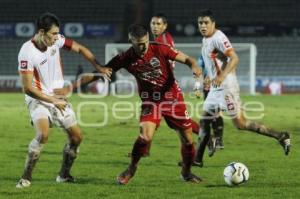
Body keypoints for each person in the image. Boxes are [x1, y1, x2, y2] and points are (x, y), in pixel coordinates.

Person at [16, 12, 112, 188]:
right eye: (53, 34)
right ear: (41, 32)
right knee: (43, 134)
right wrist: (52, 100)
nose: (56, 37)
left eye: (57, 33)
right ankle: (26, 177)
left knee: (76, 137)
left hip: (58, 97)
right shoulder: (27, 52)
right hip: (38, 98)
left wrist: (98, 66)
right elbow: (28, 88)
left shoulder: (57, 40)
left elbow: (81, 49)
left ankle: (64, 175)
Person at [195, 9, 291, 167]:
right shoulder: (206, 39)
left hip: (226, 87)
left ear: (213, 24)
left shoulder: (219, 37)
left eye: (206, 23)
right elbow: (216, 60)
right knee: (204, 120)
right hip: (215, 87)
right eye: (200, 23)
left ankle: (280, 135)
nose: (203, 26)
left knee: (241, 124)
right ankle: (197, 160)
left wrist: (221, 76)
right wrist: (209, 77)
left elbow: (234, 58)